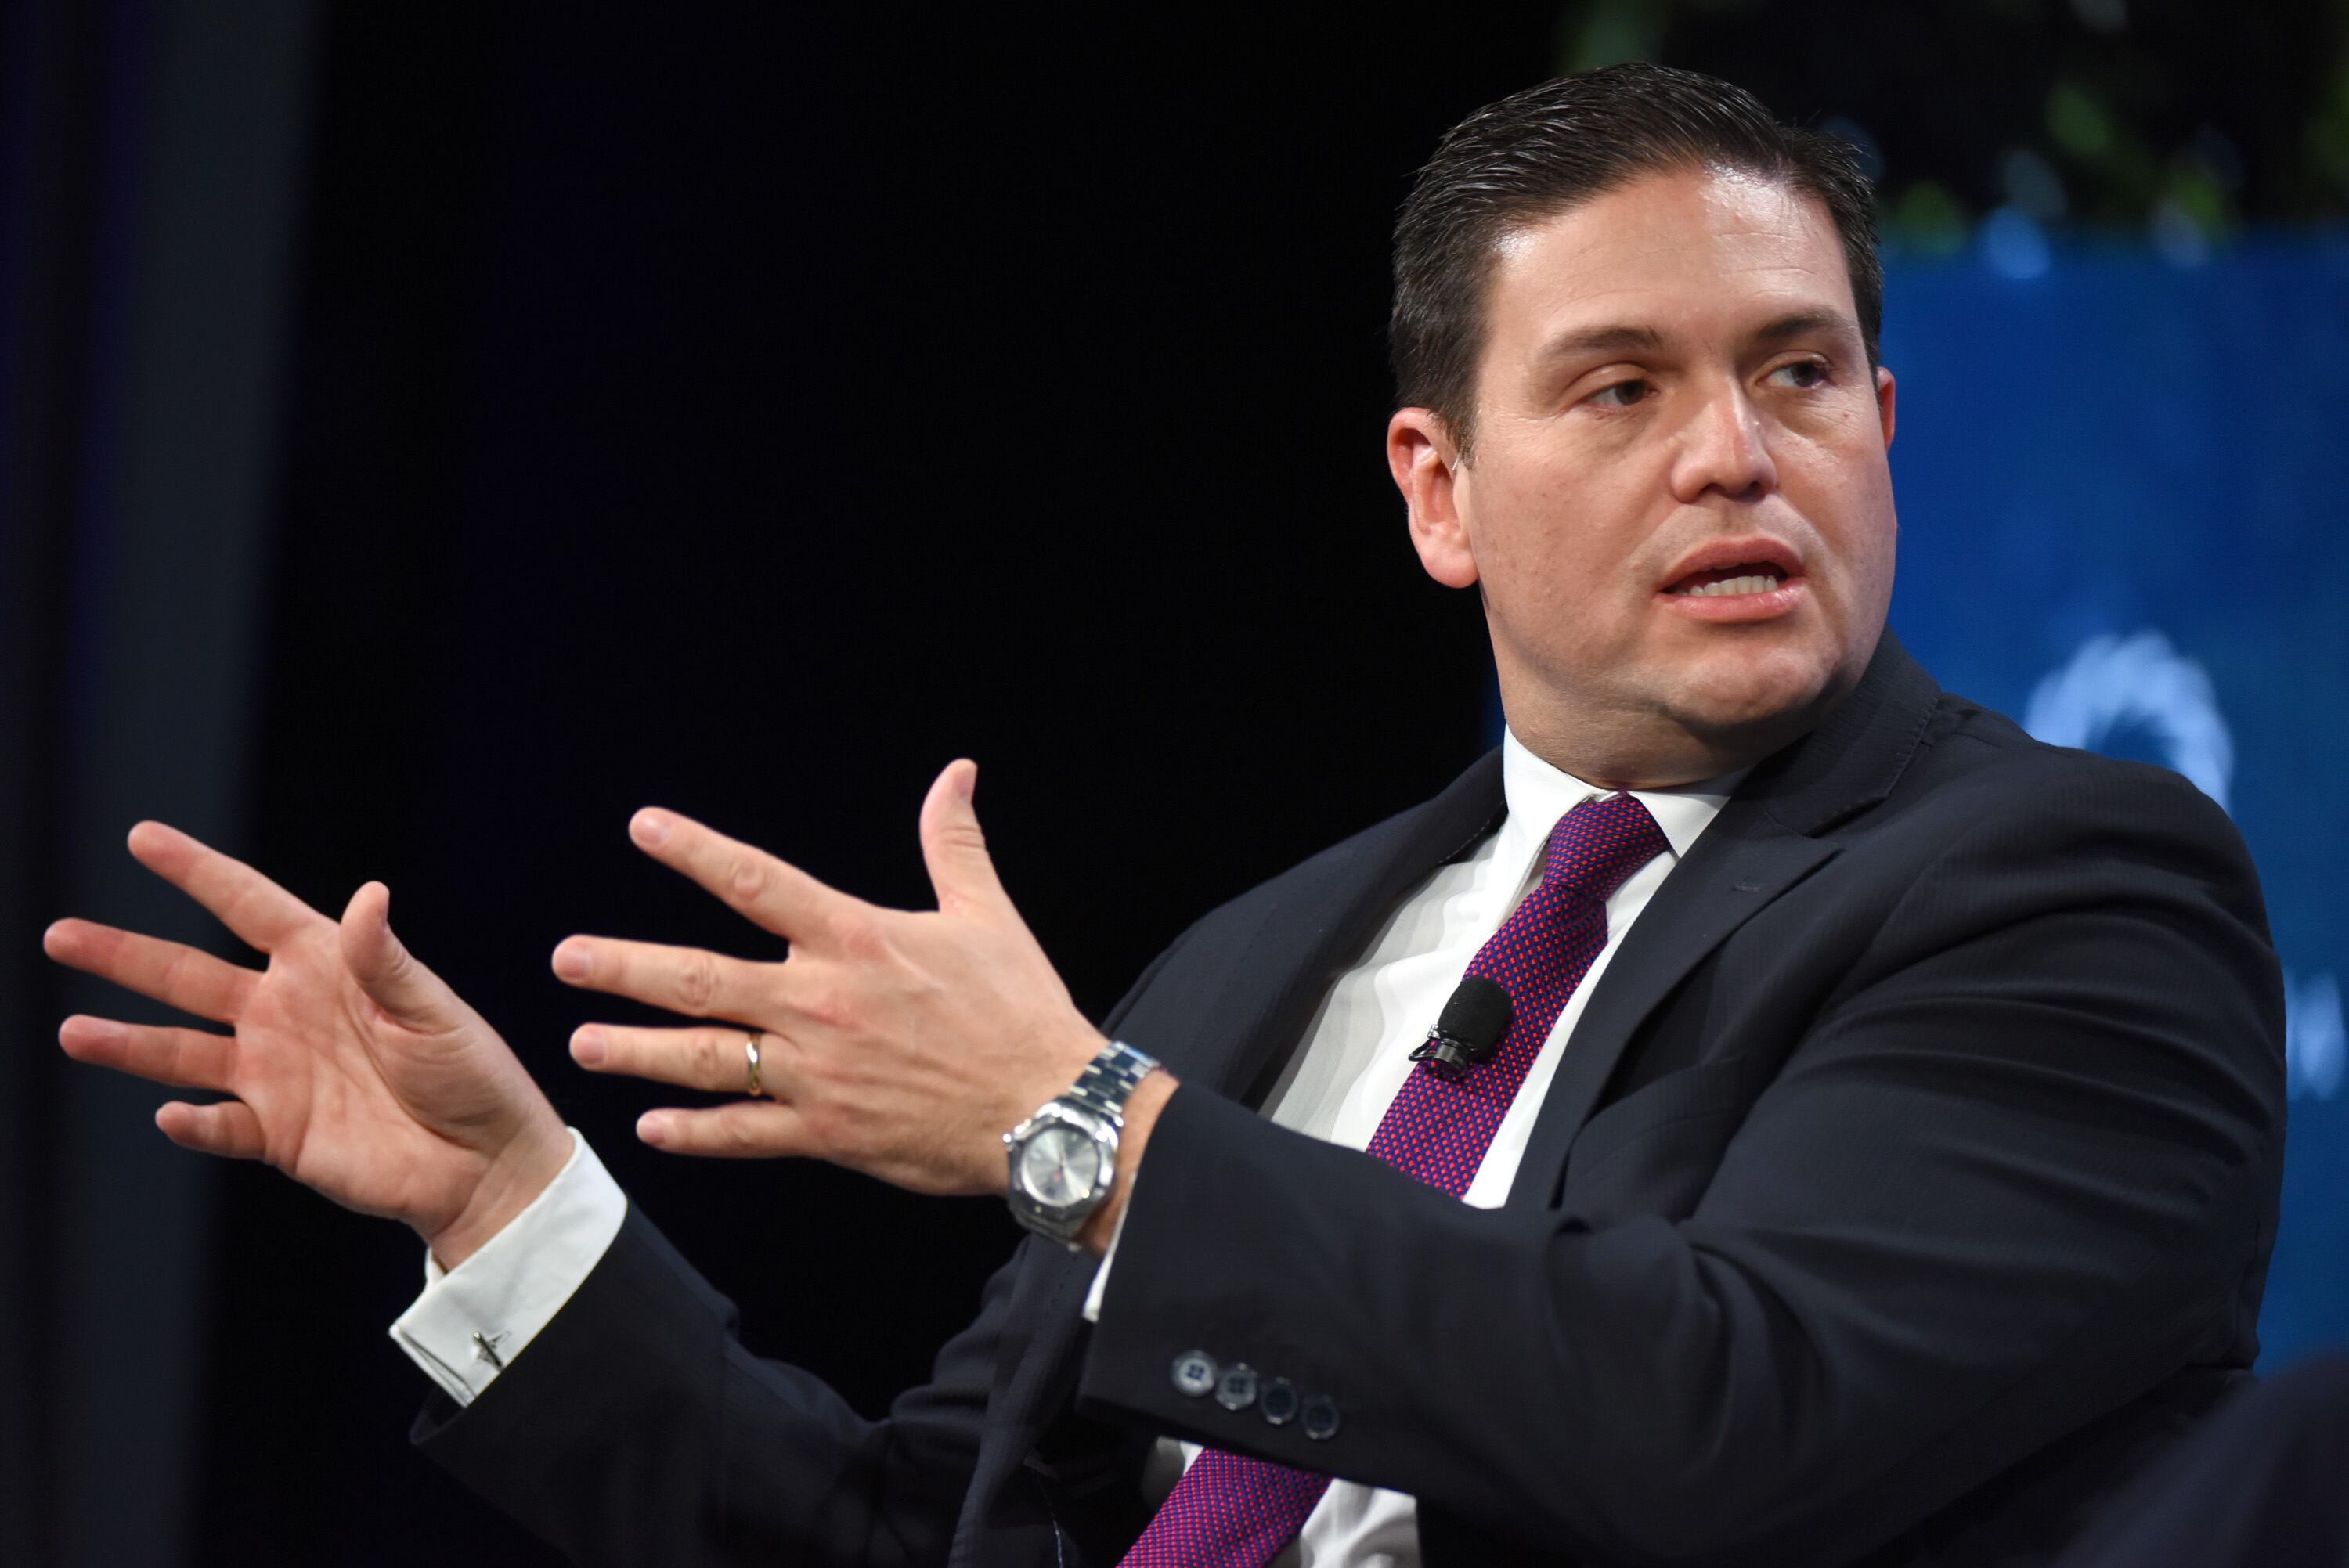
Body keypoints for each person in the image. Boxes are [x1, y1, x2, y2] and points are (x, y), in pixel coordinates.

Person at [43, 63, 2284, 1568]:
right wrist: (511, 1207)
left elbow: (1729, 1421)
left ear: (1886, 423)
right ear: (1441, 494)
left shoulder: (2062, 887)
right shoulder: (1267, 957)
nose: (1734, 451)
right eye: (1621, 386)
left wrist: (1091, 1129)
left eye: (1796, 373)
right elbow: (940, 1530)